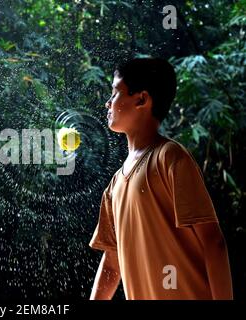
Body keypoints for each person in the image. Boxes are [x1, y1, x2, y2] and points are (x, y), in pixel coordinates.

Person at [89, 57, 233, 300]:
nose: (108, 103)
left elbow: (213, 242)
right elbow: (112, 265)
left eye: (115, 94)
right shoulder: (114, 186)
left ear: (142, 99)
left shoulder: (170, 158)